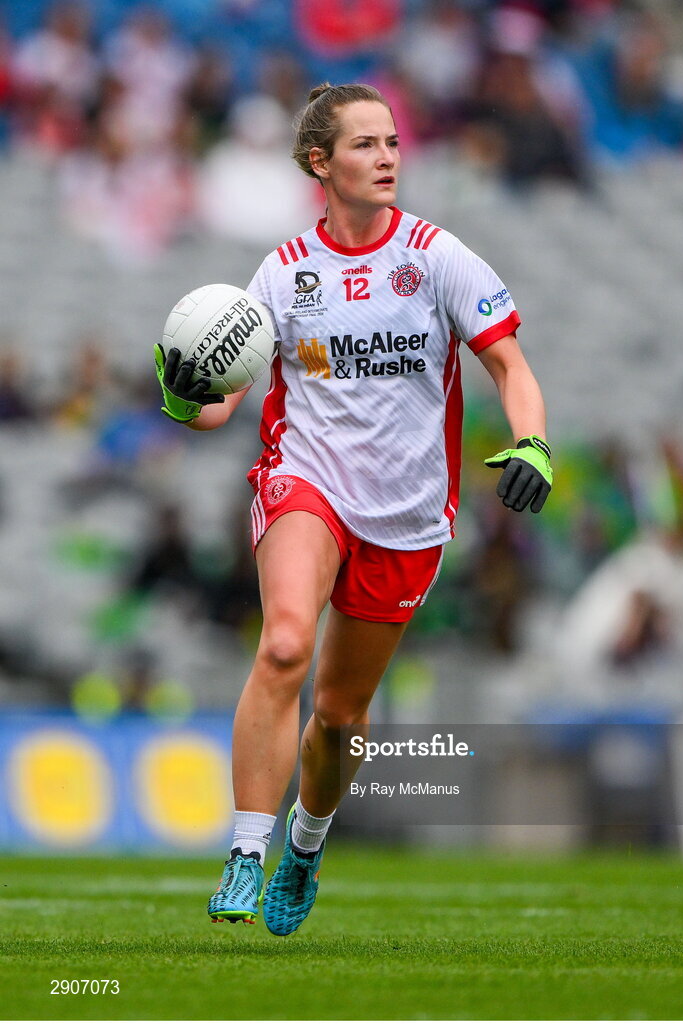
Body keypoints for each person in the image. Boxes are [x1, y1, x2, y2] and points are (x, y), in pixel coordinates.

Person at [153, 82, 552, 935]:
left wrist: (532, 443)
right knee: (287, 641)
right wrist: (183, 395)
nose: (386, 158)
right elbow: (222, 401)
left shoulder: (439, 257)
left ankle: (306, 841)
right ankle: (246, 850)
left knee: (338, 717)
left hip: (407, 515)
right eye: (366, 145)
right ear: (319, 163)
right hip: (307, 483)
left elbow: (512, 369)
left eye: (393, 143)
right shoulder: (282, 273)